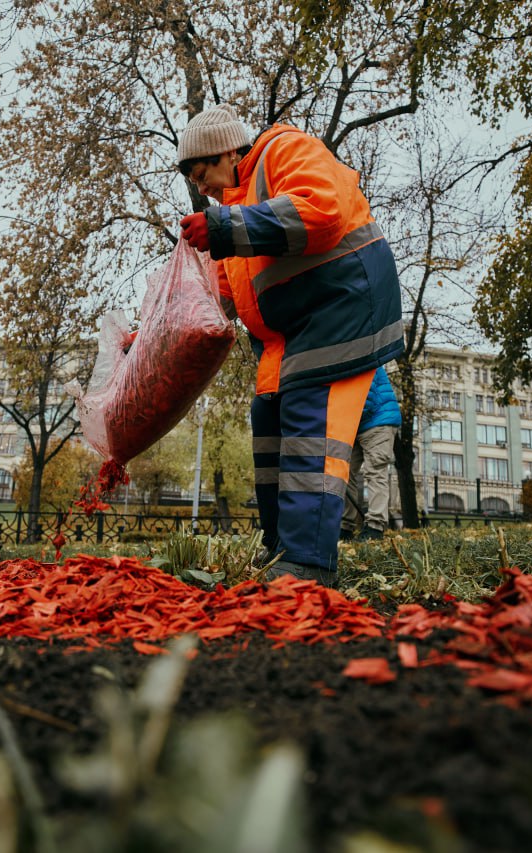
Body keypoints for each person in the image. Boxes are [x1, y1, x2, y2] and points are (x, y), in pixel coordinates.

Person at [176, 104, 404, 586]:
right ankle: (282, 549)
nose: (202, 189)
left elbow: (321, 211)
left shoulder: (284, 149)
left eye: (203, 174)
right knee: (269, 421)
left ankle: (308, 563)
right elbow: (218, 301)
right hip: (289, 333)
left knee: (308, 420)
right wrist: (157, 340)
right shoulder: (233, 213)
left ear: (227, 150)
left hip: (340, 303)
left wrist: (223, 228)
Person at [340, 365, 402, 541]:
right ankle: (345, 527)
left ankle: (375, 527)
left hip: (379, 420)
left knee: (375, 471)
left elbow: (364, 398)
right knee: (343, 471)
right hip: (356, 423)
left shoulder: (361, 354)